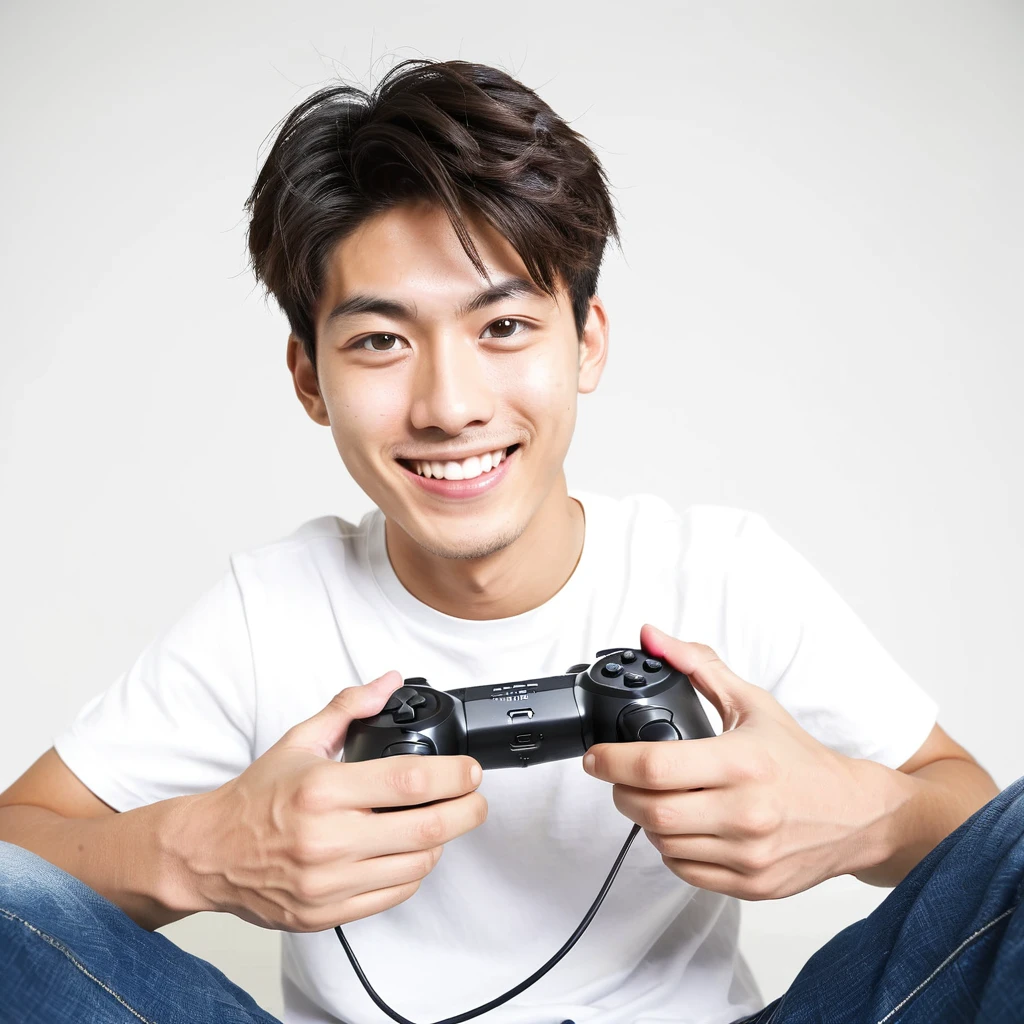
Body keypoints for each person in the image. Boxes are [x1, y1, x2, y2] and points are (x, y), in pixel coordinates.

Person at [0, 58, 1018, 1024]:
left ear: (587, 342)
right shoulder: (271, 609)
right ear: (309, 379)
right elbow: (17, 858)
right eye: (380, 341)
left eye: (502, 328)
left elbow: (969, 818)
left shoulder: (718, 570)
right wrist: (199, 852)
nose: (448, 405)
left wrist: (863, 820)